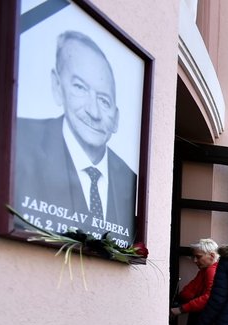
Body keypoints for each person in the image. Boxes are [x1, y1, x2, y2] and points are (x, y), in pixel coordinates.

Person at [14, 31, 137, 244]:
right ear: (57, 86)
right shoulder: (21, 142)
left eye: (104, 100)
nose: (94, 112)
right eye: (80, 88)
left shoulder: (130, 179)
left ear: (116, 118)